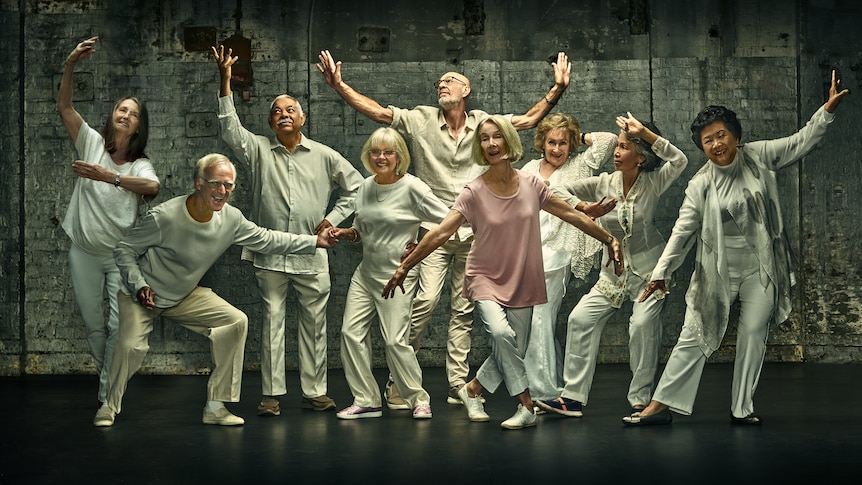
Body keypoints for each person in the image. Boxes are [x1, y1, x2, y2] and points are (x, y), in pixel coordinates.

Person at [317, 49, 572, 407]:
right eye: (439, 82)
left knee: (463, 310)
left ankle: (457, 384)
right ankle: (400, 381)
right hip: (435, 231)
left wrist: (557, 88)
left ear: (466, 90)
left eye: (450, 80)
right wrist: (340, 85)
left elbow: (530, 119)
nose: (442, 84)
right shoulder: (420, 119)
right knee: (424, 301)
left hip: (475, 234)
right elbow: (377, 111)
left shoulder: (485, 123)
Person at [624, 70, 849, 427]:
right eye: (707, 140)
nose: (716, 144)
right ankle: (661, 405)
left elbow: (798, 142)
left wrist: (826, 111)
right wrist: (660, 273)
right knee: (695, 333)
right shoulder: (700, 184)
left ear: (736, 136)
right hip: (719, 270)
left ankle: (742, 408)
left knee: (754, 333)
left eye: (721, 135)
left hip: (761, 266)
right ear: (702, 147)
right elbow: (682, 232)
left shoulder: (757, 157)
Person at [382, 116, 624, 429]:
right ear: (480, 147)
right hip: (484, 275)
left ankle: (472, 390)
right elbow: (441, 232)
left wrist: (609, 238)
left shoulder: (531, 184)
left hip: (525, 275)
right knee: (499, 333)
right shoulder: (474, 191)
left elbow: (570, 214)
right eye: (484, 138)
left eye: (497, 136)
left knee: (514, 347)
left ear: (508, 141)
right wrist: (405, 265)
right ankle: (526, 406)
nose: (492, 143)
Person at [92, 154, 336, 427]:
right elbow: (124, 250)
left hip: (183, 295)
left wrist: (314, 241)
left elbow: (267, 239)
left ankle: (216, 407)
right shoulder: (165, 217)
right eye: (215, 183)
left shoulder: (230, 220)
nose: (222, 192)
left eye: (228, 185)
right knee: (129, 346)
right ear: (198, 183)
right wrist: (139, 285)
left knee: (235, 322)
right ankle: (108, 406)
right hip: (141, 296)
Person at [213, 45, 364, 417]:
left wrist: (333, 218)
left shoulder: (325, 155)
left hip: (313, 253)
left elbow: (357, 187)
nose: (283, 114)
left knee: (314, 325)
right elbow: (231, 129)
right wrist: (226, 80)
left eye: (290, 109)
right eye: (276, 111)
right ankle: (271, 395)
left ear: (303, 118)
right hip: (269, 253)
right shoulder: (259, 150)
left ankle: (315, 392)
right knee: (273, 322)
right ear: (270, 123)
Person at [536, 113, 688, 418]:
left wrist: (644, 132)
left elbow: (680, 160)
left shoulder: (655, 182)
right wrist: (583, 207)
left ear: (641, 157)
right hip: (612, 273)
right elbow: (552, 191)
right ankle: (572, 398)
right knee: (579, 319)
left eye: (624, 148)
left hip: (649, 273)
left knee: (642, 327)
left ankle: (641, 401)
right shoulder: (603, 183)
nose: (616, 153)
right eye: (616, 146)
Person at [57, 37, 161, 409]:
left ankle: (107, 398)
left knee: (120, 329)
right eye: (121, 108)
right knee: (94, 326)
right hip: (83, 252)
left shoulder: (139, 164)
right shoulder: (90, 142)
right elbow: (65, 106)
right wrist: (71, 63)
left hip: (119, 257)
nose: (125, 114)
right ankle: (109, 385)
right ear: (112, 115)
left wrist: (107, 177)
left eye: (132, 113)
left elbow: (152, 186)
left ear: (137, 128)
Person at [329, 128, 450, 420]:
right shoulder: (366, 187)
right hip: (366, 273)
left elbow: (448, 222)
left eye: (388, 152)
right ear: (368, 155)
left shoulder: (413, 188)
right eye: (375, 152)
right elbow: (363, 230)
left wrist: (419, 246)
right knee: (350, 334)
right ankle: (367, 400)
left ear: (400, 157)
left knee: (395, 340)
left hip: (397, 276)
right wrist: (346, 233)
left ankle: (418, 398)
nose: (381, 157)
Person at [519, 114, 617, 401]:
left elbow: (607, 140)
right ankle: (556, 377)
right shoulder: (528, 169)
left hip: (556, 253)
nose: (557, 149)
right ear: (542, 143)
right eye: (552, 142)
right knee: (536, 322)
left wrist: (579, 137)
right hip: (526, 253)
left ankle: (542, 390)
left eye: (564, 143)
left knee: (539, 320)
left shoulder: (580, 165)